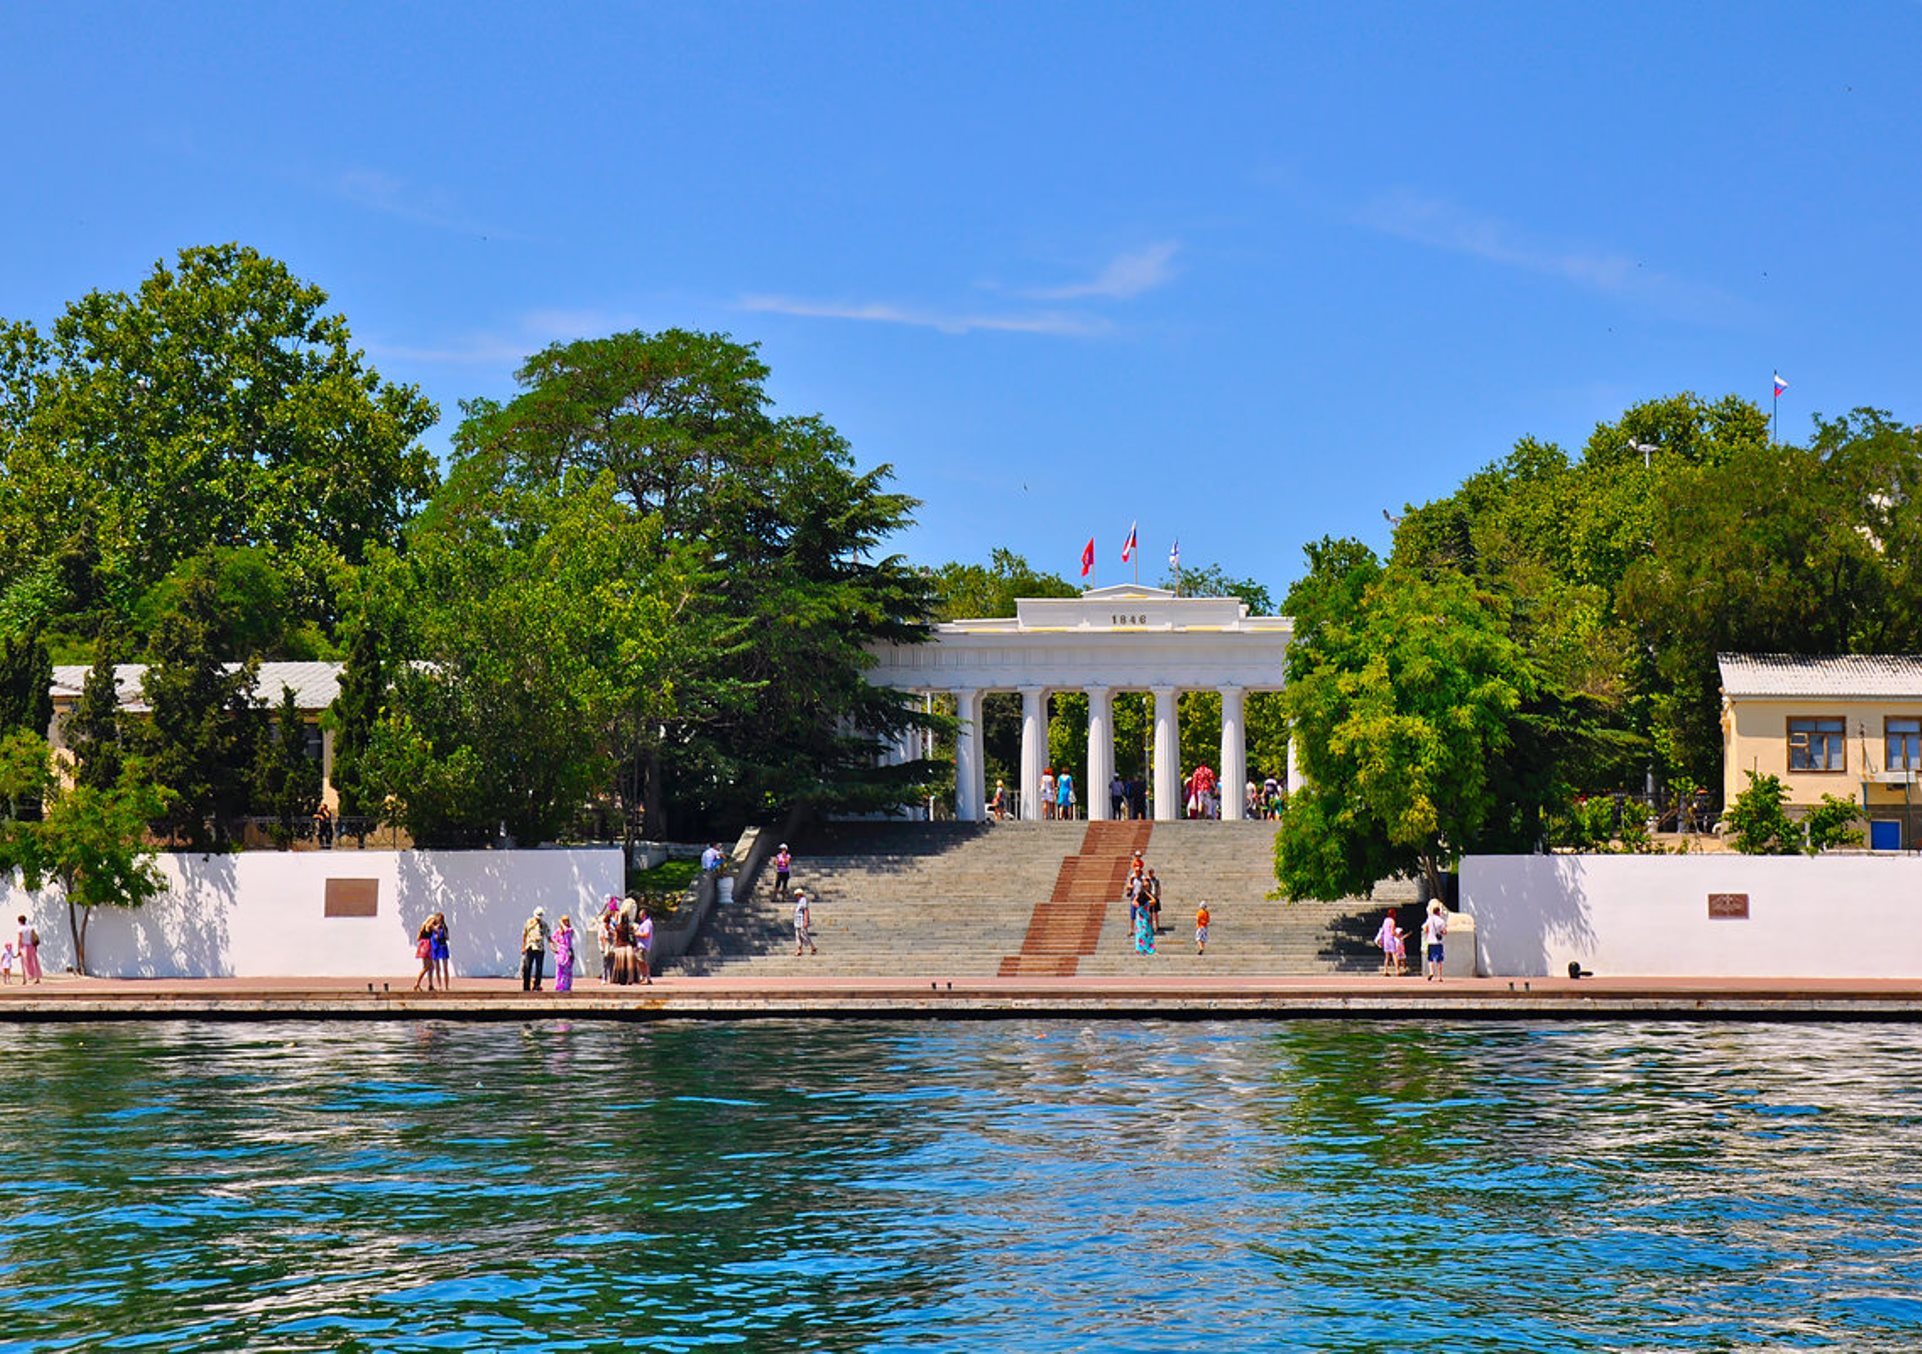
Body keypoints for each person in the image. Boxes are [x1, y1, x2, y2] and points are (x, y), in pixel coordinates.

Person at [521, 906, 551, 991]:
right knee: (527, 967)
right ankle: (526, 986)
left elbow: (548, 936)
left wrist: (552, 946)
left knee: (539, 968)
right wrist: (523, 947)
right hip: (530, 946)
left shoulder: (544, 924)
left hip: (539, 948)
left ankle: (537, 985)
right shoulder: (529, 922)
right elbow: (525, 934)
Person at [1421, 900, 1449, 982]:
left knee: (1430, 959)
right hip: (1438, 942)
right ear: (1438, 912)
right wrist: (1443, 932)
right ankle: (1440, 976)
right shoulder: (1441, 921)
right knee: (1439, 960)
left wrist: (1429, 932)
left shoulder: (1429, 919)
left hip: (1430, 941)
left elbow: (1425, 928)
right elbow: (1444, 931)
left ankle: (1431, 972)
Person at [1374, 910, 1404, 977]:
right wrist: (1397, 935)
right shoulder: (1392, 921)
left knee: (1387, 956)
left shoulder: (1385, 920)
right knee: (1394, 955)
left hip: (1385, 938)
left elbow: (1384, 930)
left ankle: (1385, 970)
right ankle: (1397, 970)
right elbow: (1392, 932)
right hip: (1390, 939)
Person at [412, 916, 437, 992]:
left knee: (431, 967)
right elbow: (437, 931)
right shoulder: (430, 925)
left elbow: (418, 938)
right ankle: (417, 983)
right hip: (427, 946)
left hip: (423, 946)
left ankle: (430, 985)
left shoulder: (422, 926)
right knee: (426, 967)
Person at [552, 915, 577, 993]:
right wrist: (555, 947)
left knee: (567, 970)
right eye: (564, 921)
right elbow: (553, 938)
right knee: (560, 969)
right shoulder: (558, 931)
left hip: (568, 951)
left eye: (567, 921)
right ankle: (559, 985)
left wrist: (562, 924)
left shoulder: (570, 930)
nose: (565, 922)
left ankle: (566, 986)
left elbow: (567, 931)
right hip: (561, 952)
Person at [16, 915, 41, 985]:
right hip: (32, 946)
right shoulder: (30, 928)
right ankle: (37, 978)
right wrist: (35, 947)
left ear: (19, 921)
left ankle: (25, 979)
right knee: (34, 962)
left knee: (24, 963)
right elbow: (34, 937)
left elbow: (20, 939)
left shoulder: (20, 929)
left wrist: (19, 949)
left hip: (24, 946)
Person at [598, 903, 618, 983]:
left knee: (612, 962)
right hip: (605, 946)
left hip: (611, 945)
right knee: (605, 963)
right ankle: (604, 978)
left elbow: (615, 934)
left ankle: (612, 977)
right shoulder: (602, 927)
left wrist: (613, 934)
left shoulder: (611, 926)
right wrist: (604, 946)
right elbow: (601, 937)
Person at [431, 911, 451, 990]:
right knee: (437, 968)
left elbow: (447, 937)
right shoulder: (433, 927)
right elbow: (432, 937)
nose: (439, 920)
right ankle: (439, 986)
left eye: (441, 919)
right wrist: (436, 933)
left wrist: (443, 931)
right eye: (438, 919)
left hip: (443, 947)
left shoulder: (444, 927)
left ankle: (446, 986)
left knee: (445, 968)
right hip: (436, 947)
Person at [793, 889, 817, 956]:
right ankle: (799, 949)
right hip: (797, 922)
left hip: (801, 921)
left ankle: (812, 947)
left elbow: (806, 910)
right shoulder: (799, 902)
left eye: (796, 895)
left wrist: (806, 921)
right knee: (798, 936)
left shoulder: (803, 900)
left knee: (804, 935)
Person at [636, 907, 655, 984]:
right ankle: (646, 977)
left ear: (644, 915)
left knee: (642, 962)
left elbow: (646, 934)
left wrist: (637, 934)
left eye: (641, 914)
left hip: (643, 946)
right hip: (643, 945)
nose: (639, 916)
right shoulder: (646, 923)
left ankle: (645, 977)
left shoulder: (647, 923)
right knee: (642, 962)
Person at [1143, 869, 1163, 934]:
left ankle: (1157, 926)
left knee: (1156, 912)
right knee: (1150, 912)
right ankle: (1151, 926)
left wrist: (1159, 894)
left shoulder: (1156, 880)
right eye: (1149, 873)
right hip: (1149, 897)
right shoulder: (1146, 880)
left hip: (1155, 896)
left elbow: (1158, 887)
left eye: (1151, 873)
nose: (1150, 874)